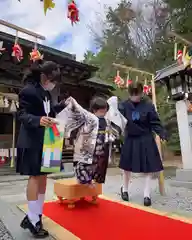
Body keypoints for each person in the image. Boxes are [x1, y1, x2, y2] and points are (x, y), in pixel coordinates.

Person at [16, 60, 65, 238]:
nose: (53, 84)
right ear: (44, 76)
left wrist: (63, 105)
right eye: (52, 80)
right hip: (31, 139)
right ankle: (33, 218)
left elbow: (49, 112)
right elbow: (21, 114)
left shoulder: (45, 93)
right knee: (35, 176)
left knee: (43, 175)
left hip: (46, 139)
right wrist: (37, 120)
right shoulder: (28, 90)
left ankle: (36, 215)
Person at [118, 81, 167, 207]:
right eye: (132, 94)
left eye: (137, 94)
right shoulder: (123, 105)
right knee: (126, 166)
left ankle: (146, 194)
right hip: (131, 138)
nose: (135, 97)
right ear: (129, 94)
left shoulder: (148, 105)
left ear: (141, 93)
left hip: (145, 138)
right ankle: (125, 189)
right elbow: (118, 122)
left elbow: (155, 122)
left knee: (148, 166)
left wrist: (162, 133)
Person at [74, 97, 110, 185]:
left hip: (102, 148)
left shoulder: (106, 121)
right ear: (94, 110)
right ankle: (84, 180)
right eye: (101, 112)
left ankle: (95, 181)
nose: (103, 114)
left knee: (99, 166)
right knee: (85, 165)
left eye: (105, 112)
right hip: (90, 146)